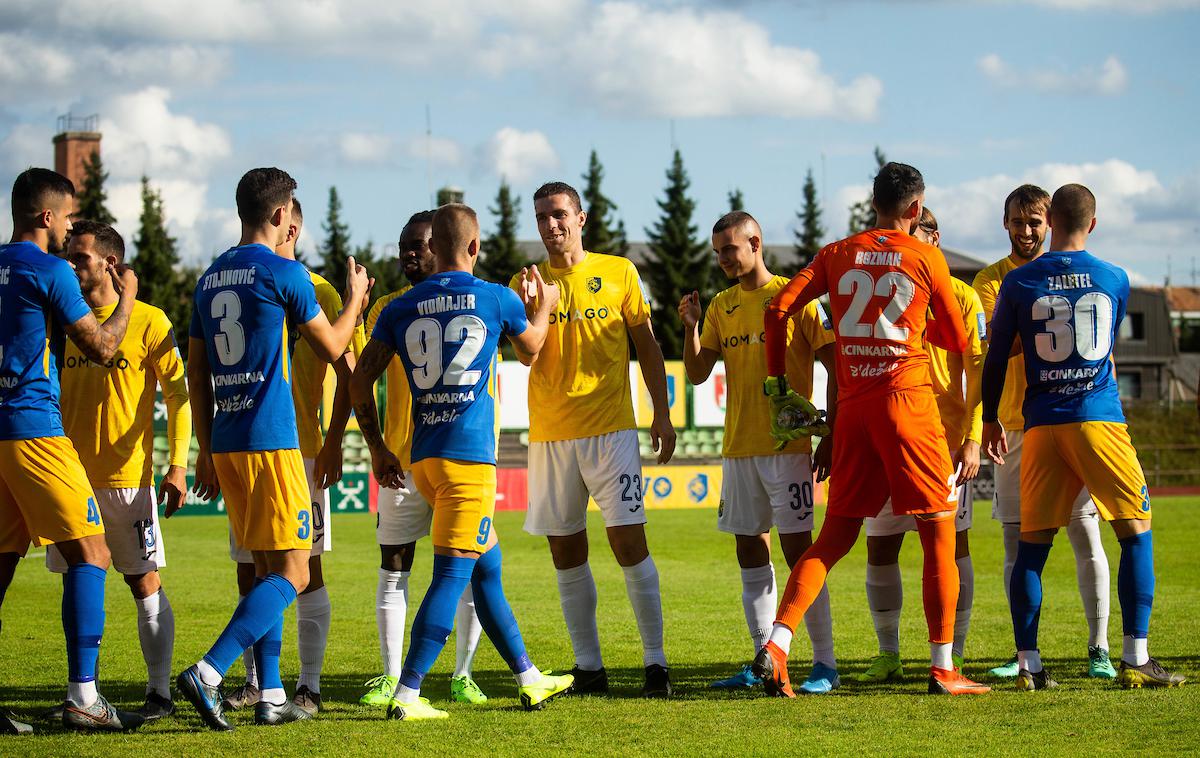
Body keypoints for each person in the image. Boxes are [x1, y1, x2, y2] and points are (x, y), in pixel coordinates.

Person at [752, 162, 989, 697]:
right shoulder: (925, 254)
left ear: (872, 202)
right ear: (915, 209)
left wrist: (775, 384)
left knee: (835, 537)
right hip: (908, 403)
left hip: (854, 409)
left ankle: (777, 644)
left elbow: (778, 310)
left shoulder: (837, 253)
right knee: (937, 535)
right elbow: (952, 338)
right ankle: (943, 667)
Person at [351, 203, 574, 721]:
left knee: (486, 568)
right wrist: (544, 306)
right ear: (474, 247)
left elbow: (359, 381)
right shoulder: (495, 297)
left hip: (423, 459)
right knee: (451, 576)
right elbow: (532, 350)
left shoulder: (400, 307)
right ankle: (408, 694)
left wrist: (378, 447)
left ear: (434, 248)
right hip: (468, 462)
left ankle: (528, 675)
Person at [176, 167, 370, 730]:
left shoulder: (209, 277)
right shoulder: (284, 271)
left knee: (265, 570)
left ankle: (272, 694)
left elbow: (197, 369)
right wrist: (355, 297)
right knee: (296, 572)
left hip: (230, 441)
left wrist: (205, 451)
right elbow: (334, 345)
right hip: (272, 441)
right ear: (283, 215)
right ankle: (209, 672)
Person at [981, 183, 1184, 690]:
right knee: (1133, 532)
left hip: (1042, 425)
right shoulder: (1115, 277)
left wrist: (988, 420)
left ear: (1049, 222)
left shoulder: (1020, 281)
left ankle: (1030, 664)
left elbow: (996, 354)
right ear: (1092, 224)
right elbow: (1103, 350)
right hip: (1098, 420)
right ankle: (1134, 657)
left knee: (1030, 547)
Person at [510, 182, 676, 697]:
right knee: (566, 552)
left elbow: (648, 347)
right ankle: (589, 668)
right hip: (552, 435)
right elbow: (524, 356)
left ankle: (656, 663)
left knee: (629, 543)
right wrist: (536, 307)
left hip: (612, 432)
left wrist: (662, 414)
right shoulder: (526, 281)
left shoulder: (619, 271)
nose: (549, 225)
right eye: (540, 217)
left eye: (559, 214)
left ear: (582, 218)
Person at [0, 168, 144, 732]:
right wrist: (128, 295)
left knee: (4, 562)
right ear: (45, 216)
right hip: (34, 426)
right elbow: (105, 347)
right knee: (92, 553)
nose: (67, 229)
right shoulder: (50, 269)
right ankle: (84, 697)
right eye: (64, 218)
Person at [678, 211, 839, 693]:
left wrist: (830, 432)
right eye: (718, 251)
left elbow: (836, 366)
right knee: (749, 550)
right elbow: (697, 373)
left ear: (756, 243)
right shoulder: (721, 306)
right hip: (738, 448)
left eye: (731, 248)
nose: (724, 258)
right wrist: (689, 326)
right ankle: (763, 660)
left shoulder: (798, 297)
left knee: (799, 553)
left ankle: (825, 664)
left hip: (787, 448)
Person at [220, 198, 364, 716]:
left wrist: (332, 442)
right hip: (260, 445)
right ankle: (262, 684)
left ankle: (309, 686)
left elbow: (347, 369)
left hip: (300, 448)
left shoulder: (316, 288)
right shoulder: (254, 278)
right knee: (252, 569)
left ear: (292, 226)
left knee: (305, 570)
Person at [45, 221, 189, 721]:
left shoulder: (149, 320)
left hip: (131, 482)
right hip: (69, 478)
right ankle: (81, 691)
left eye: (79, 257)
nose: (70, 266)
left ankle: (159, 693)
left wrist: (176, 465)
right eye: (67, 256)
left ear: (110, 262)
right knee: (77, 581)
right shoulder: (64, 320)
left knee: (143, 581)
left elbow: (178, 395)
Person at [973, 184, 1114, 679]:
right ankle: (1023, 653)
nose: (1027, 231)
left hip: (1072, 417)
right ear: (1005, 223)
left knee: (1085, 533)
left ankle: (1099, 648)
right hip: (1013, 428)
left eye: (1036, 222)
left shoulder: (1066, 275)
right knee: (1016, 542)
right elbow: (995, 348)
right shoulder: (992, 281)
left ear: (1050, 222)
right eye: (1018, 221)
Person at [358, 210, 488, 708]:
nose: (408, 253)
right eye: (403, 245)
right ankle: (393, 676)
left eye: (419, 244)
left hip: (461, 459)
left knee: (467, 568)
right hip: (402, 462)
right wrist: (377, 447)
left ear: (446, 246)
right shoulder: (391, 307)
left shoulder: (477, 298)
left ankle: (462, 673)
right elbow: (362, 380)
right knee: (395, 566)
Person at [856, 208, 982, 681]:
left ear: (935, 236)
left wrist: (972, 438)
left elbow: (979, 374)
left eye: (917, 233)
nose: (907, 240)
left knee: (952, 549)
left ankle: (956, 652)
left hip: (945, 445)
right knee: (880, 547)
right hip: (888, 438)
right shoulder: (885, 286)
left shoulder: (963, 297)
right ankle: (888, 654)